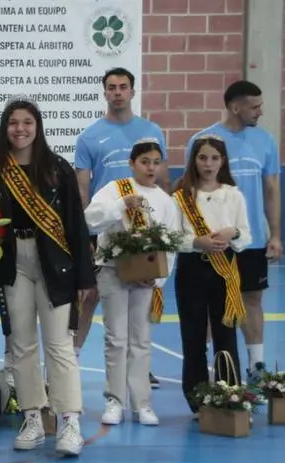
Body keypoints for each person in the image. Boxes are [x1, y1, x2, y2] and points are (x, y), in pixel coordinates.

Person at [0, 96, 94, 455]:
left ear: (38, 127)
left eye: (27, 123)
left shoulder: (58, 168)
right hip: (12, 262)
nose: (20, 129)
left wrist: (84, 278)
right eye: (13, 123)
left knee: (59, 344)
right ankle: (33, 417)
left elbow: (76, 226)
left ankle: (69, 423)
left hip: (55, 264)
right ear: (5, 128)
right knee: (21, 343)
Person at [74, 68, 169, 389]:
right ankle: (69, 361)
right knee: (89, 297)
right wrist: (83, 236)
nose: (117, 92)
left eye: (123, 87)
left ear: (132, 91)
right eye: (111, 87)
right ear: (104, 92)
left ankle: (140, 366)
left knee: (141, 295)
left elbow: (162, 182)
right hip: (105, 230)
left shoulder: (151, 131)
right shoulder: (89, 137)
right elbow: (82, 191)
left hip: (143, 231)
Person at [187, 81, 282, 382]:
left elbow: (272, 189)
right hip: (212, 242)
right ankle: (205, 368)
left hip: (249, 239)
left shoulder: (265, 142)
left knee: (252, 299)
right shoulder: (203, 141)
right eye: (254, 106)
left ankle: (256, 365)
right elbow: (189, 191)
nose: (260, 111)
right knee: (209, 305)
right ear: (235, 107)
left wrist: (275, 234)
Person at [84, 138, 179, 426]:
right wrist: (120, 206)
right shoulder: (115, 190)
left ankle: (142, 403)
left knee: (141, 338)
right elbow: (89, 220)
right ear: (131, 163)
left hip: (145, 280)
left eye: (155, 162)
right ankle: (114, 400)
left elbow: (170, 243)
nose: (150, 168)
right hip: (113, 272)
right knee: (116, 338)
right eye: (144, 162)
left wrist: (157, 277)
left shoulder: (165, 201)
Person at [173, 135, 250, 414]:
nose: (208, 164)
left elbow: (246, 235)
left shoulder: (233, 194)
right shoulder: (181, 197)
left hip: (225, 271)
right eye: (202, 157)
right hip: (192, 269)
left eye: (214, 158)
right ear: (194, 160)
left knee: (226, 335)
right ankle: (196, 399)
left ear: (223, 161)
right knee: (192, 336)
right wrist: (196, 242)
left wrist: (234, 232)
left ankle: (229, 394)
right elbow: (172, 237)